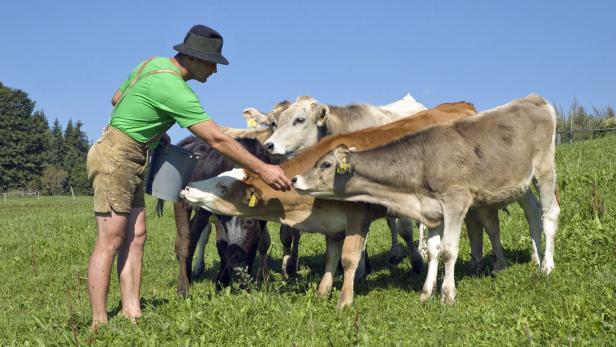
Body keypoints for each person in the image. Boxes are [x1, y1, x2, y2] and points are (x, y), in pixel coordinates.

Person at [86, 24, 291, 330]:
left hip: (131, 154)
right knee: (111, 238)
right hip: (116, 158)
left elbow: (117, 99)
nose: (214, 71)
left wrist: (155, 132)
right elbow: (218, 140)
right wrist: (263, 168)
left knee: (137, 235)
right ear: (192, 59)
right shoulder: (177, 91)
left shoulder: (151, 65)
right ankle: (98, 323)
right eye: (212, 63)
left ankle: (132, 311)